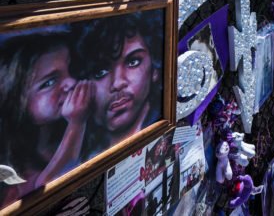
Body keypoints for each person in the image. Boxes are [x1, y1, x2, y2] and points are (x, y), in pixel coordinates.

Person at [0, 28, 94, 208]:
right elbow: (47, 187)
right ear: (17, 101)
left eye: (71, 70)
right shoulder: (13, 173)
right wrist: (76, 123)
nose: (71, 83)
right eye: (49, 82)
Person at [71, 11, 163, 158]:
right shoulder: (83, 156)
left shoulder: (163, 125)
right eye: (100, 72)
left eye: (133, 62)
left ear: (155, 70)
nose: (117, 83)